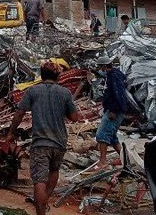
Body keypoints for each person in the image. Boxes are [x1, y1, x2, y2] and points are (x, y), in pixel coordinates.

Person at [7, 62, 79, 215]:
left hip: (40, 142)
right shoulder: (65, 93)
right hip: (59, 141)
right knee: (54, 171)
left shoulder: (33, 91)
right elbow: (74, 117)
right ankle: (43, 203)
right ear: (58, 76)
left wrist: (11, 132)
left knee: (39, 179)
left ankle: (41, 210)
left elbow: (20, 113)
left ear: (42, 75)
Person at [95, 56, 127, 170]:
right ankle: (125, 160)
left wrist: (113, 110)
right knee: (112, 137)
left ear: (104, 66)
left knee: (102, 135)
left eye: (100, 67)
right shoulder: (112, 76)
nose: (99, 69)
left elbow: (118, 94)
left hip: (114, 111)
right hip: (113, 109)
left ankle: (103, 162)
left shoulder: (114, 77)